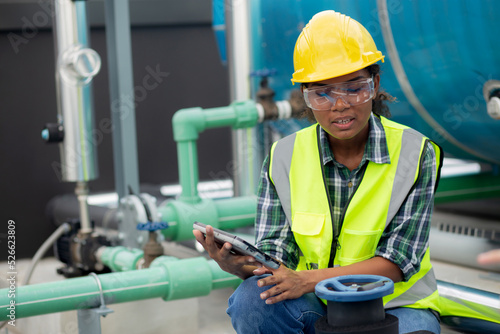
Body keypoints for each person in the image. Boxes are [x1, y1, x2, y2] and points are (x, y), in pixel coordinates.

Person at [194, 10, 443, 334]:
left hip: (394, 307)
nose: (339, 105)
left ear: (375, 84)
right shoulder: (284, 156)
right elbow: (276, 252)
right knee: (251, 301)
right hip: (316, 303)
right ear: (306, 98)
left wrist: (305, 280)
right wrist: (240, 266)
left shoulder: (416, 152)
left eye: (354, 88)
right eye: (322, 93)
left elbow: (398, 262)